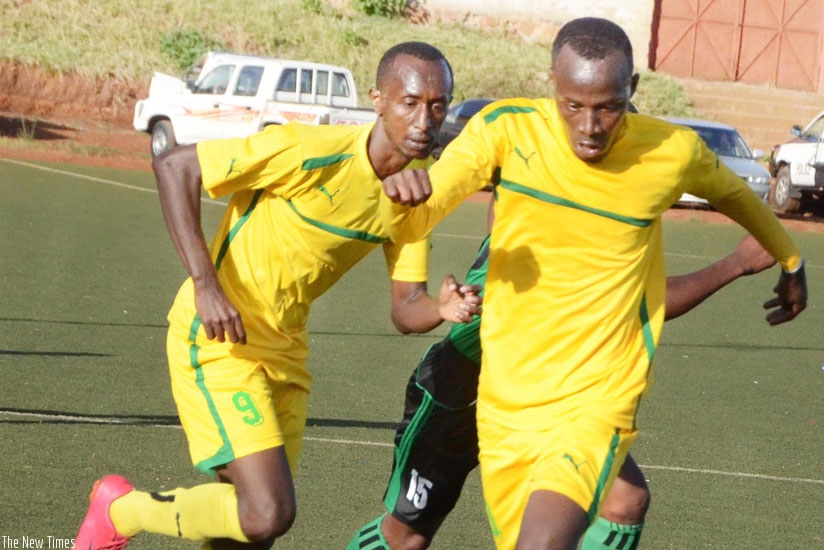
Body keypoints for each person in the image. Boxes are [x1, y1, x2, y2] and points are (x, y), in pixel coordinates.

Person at [377, 17, 807, 550]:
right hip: (506, 399)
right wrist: (405, 192)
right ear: (552, 85)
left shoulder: (671, 152)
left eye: (608, 106)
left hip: (595, 399)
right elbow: (428, 200)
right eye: (573, 106)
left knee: (561, 533)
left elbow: (738, 198)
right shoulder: (506, 130)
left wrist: (791, 261)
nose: (590, 126)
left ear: (632, 89)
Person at [73, 41, 481, 550]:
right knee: (267, 511)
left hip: (286, 355)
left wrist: (442, 309)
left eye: (438, 106)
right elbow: (175, 166)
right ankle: (120, 511)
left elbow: (406, 309)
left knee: (249, 533)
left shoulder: (412, 199)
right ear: (378, 100)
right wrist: (206, 285)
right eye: (410, 103)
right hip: (220, 340)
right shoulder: (309, 149)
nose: (424, 120)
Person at [348, 219, 777, 550]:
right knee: (407, 536)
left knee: (624, 503)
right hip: (459, 389)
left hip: (549, 388)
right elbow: (640, 302)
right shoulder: (543, 201)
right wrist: (736, 264)